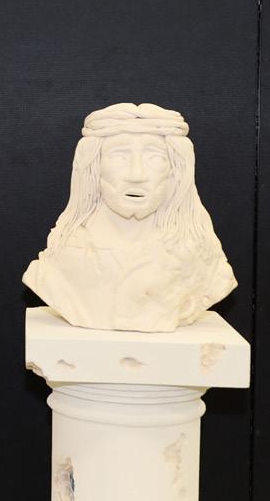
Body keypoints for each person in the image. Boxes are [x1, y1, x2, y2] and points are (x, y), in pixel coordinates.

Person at [23, 102, 234, 332]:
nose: (136, 174)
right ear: (94, 168)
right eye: (118, 157)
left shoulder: (203, 262)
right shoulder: (60, 261)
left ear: (176, 171)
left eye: (155, 158)